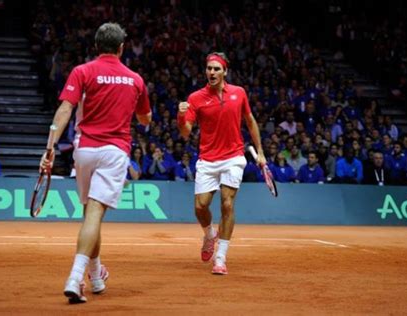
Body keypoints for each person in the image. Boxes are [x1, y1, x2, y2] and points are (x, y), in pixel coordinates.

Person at [40, 23, 152, 303]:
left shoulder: (83, 71)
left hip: (85, 151)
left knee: (91, 212)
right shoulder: (136, 79)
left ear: (96, 46)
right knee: (94, 214)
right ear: (121, 48)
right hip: (114, 152)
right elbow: (145, 120)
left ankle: (97, 276)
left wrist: (50, 147)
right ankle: (75, 278)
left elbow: (65, 107)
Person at [177, 52, 266, 275]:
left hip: (233, 157)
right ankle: (209, 235)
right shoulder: (196, 98)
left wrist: (261, 152)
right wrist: (181, 116)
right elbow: (185, 133)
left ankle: (221, 257)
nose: (212, 72)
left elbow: (250, 121)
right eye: (209, 69)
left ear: (225, 71)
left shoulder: (239, 93)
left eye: (217, 69)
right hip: (207, 159)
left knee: (227, 204)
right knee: (201, 206)